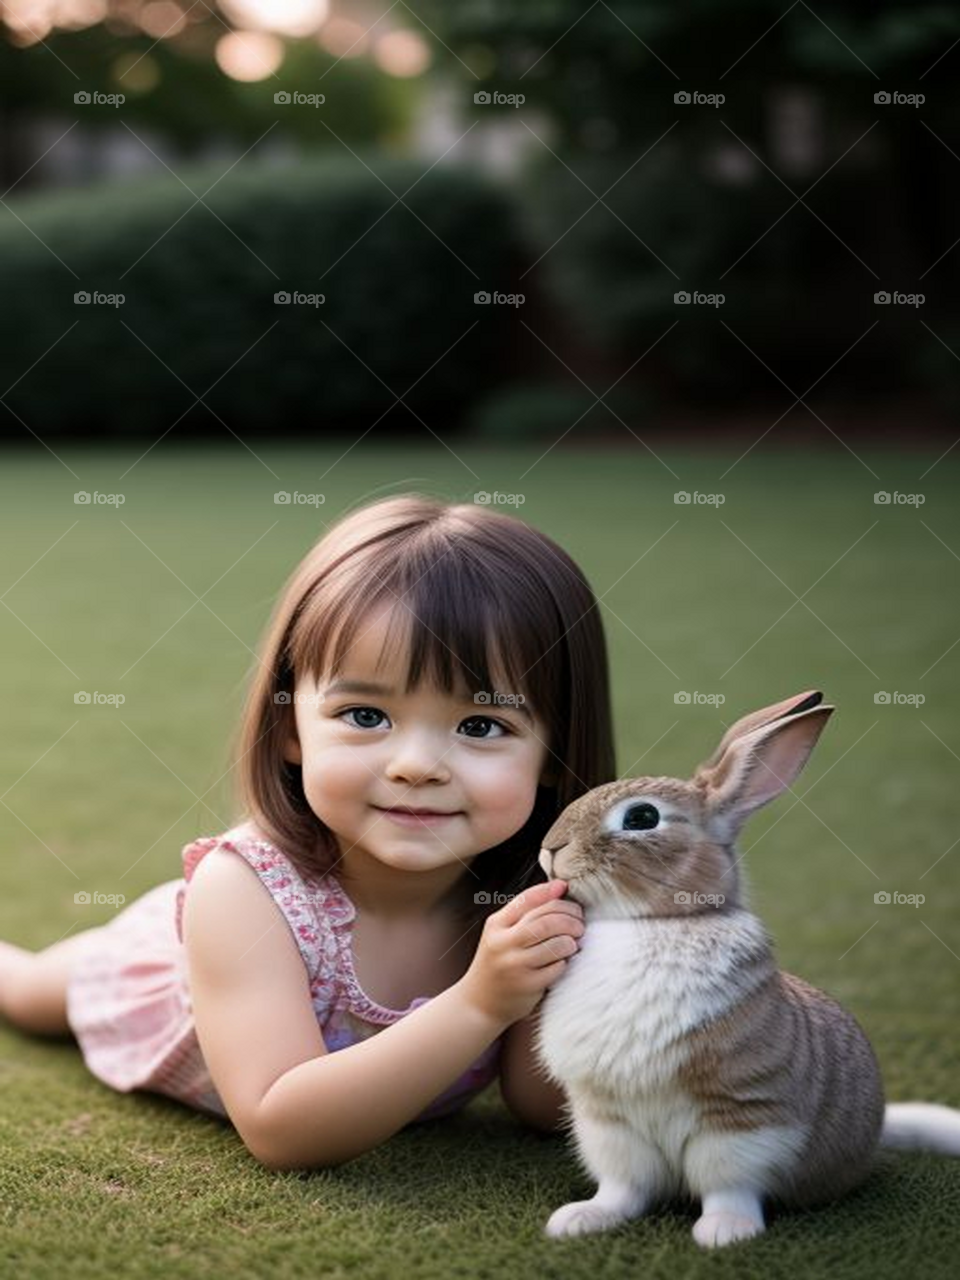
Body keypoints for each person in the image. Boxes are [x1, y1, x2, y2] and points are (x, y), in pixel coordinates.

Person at [0, 494, 616, 1169]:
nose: (415, 766)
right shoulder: (241, 893)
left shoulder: (546, 897)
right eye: (365, 715)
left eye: (480, 725)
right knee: (26, 992)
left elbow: (541, 1106)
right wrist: (481, 1002)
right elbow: (281, 1129)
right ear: (291, 727)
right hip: (166, 974)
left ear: (556, 751)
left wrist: (556, 981)